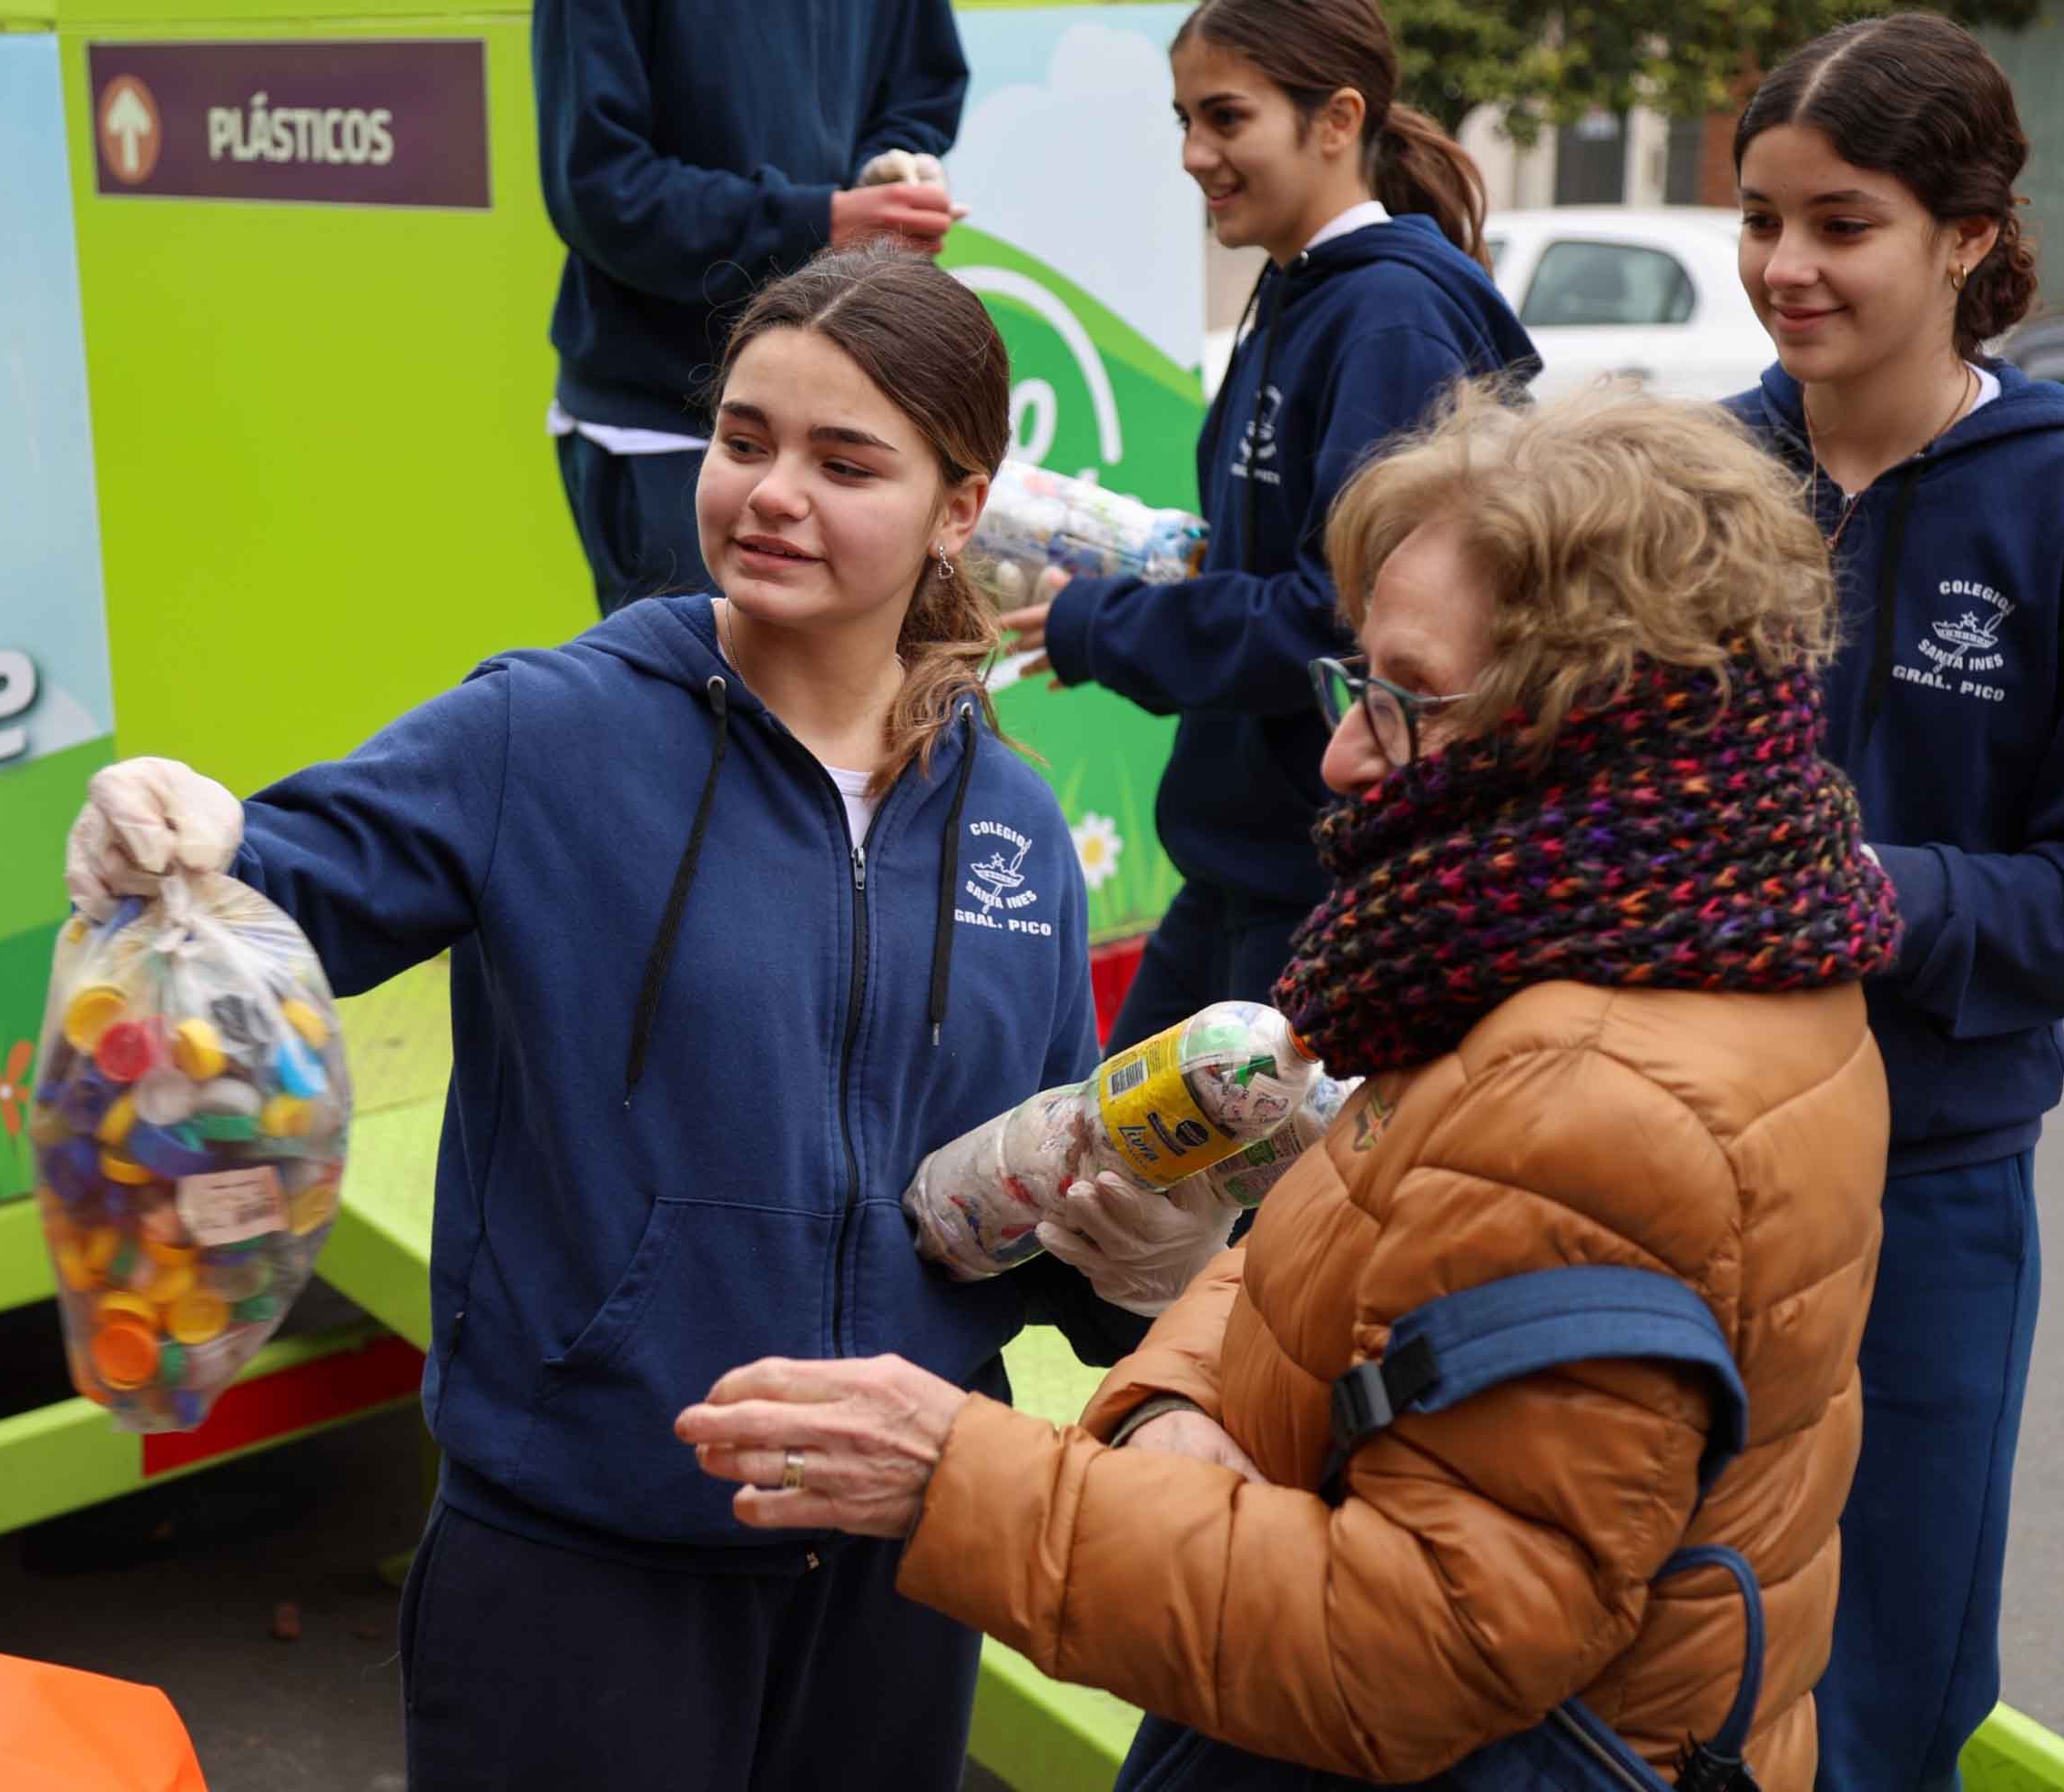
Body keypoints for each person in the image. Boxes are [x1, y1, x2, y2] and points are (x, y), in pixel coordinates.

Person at [62, 248, 1227, 1791]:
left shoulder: (1008, 826)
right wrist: (174, 837)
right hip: (575, 1556)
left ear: (959, 509)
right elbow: (279, 888)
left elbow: (1018, 1204)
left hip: (894, 1564)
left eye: (842, 460)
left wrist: (1141, 1261)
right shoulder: (548, 728)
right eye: (743, 440)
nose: (769, 493)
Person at [678, 383, 1903, 1790]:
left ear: (1587, 734)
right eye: (1353, 686)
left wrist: (958, 1476)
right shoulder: (1689, 937)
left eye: (1400, 704)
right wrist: (1175, 1403)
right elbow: (1358, 1264)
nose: (1340, 754)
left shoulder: (1595, 1103)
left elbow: (1422, 1648)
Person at [1723, 17, 2064, 1790]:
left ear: (1969, 239)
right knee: (1644, 1628)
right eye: (1761, 218)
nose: (1786, 268)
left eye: (1840, 223)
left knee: (1882, 1676)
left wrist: (1875, 895)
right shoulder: (1693, 488)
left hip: (1921, 1190)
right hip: (1657, 1159)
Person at [1000, 0, 1535, 1054]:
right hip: (1241, 863)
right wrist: (1153, 582)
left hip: (1322, 880)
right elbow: (1282, 556)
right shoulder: (1300, 294)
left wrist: (1107, 628)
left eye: (1226, 118)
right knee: (1091, 1188)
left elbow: (1345, 619)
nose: (1197, 153)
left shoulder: (1390, 319)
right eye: (1183, 121)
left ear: (1335, 120)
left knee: (1205, 1213)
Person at [537, 0, 971, 616]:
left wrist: (887, 165)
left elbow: (920, 94)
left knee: (839, 698)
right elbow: (602, 191)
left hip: (846, 406)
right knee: (702, 700)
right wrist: (815, 222)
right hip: (666, 420)